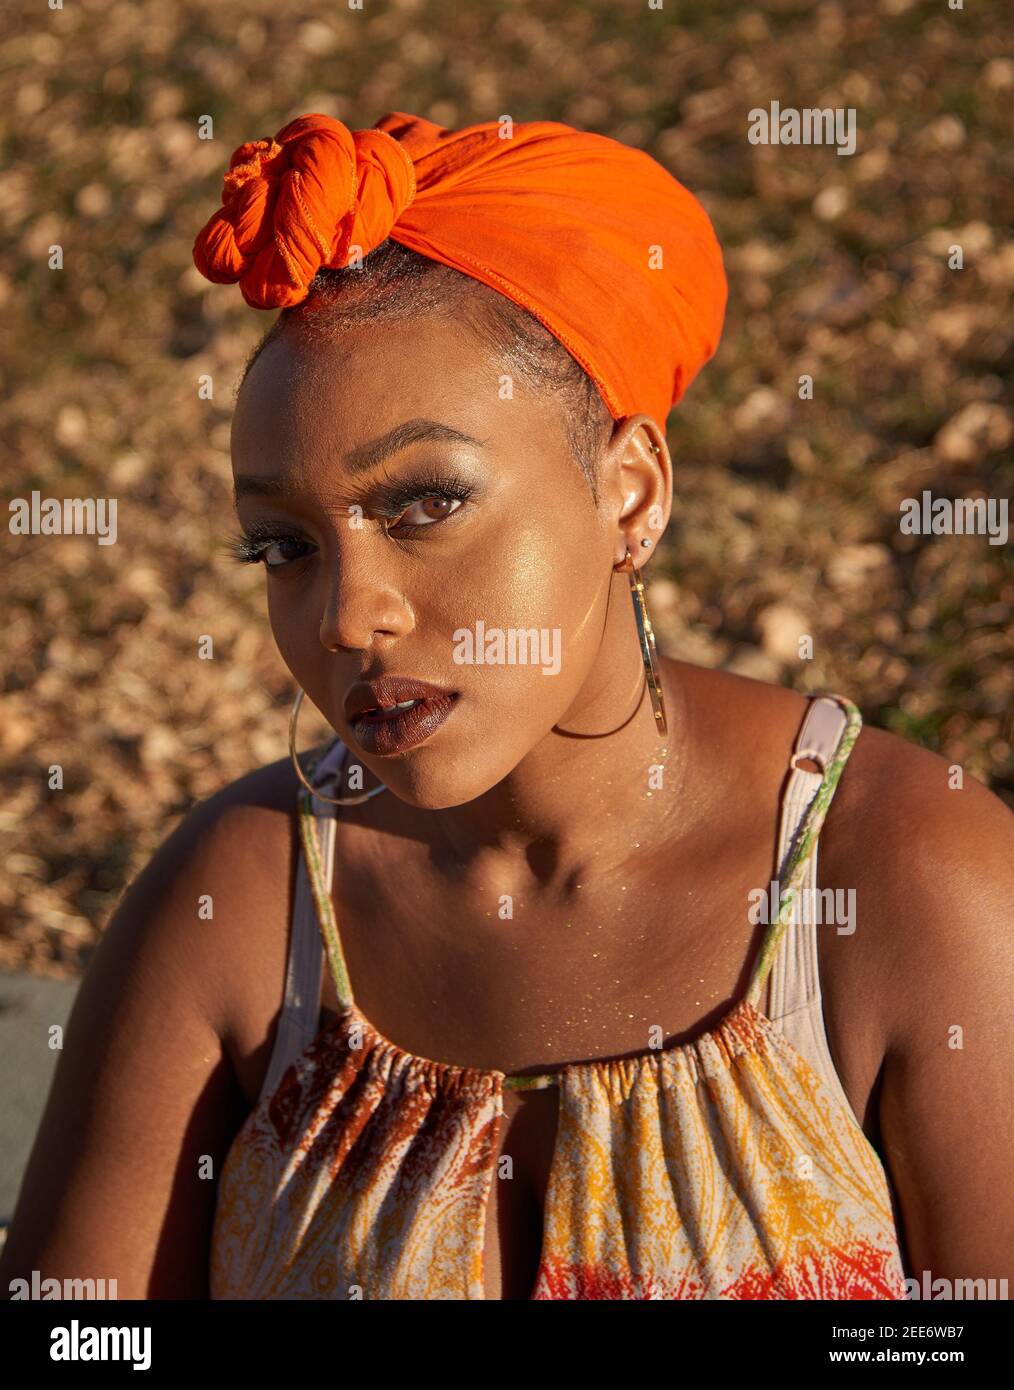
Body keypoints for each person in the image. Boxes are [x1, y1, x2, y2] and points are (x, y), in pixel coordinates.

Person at [2, 111, 1011, 1301]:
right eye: (282, 545)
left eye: (424, 504)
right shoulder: (239, 905)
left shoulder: (903, 876)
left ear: (629, 493)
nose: (346, 615)